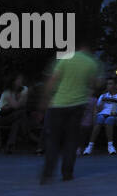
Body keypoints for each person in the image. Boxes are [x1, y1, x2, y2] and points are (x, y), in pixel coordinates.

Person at [39, 40, 101, 183]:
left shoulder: (66, 57)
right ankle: (67, 173)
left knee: (53, 139)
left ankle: (47, 173)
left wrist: (45, 99)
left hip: (58, 104)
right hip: (78, 105)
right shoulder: (91, 63)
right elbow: (94, 84)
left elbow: (52, 80)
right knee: (71, 140)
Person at [83, 78, 117, 155]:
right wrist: (102, 102)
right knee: (99, 119)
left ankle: (110, 146)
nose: (108, 86)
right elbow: (97, 109)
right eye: (107, 84)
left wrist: (116, 114)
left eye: (110, 84)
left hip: (113, 116)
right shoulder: (103, 96)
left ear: (116, 86)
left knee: (109, 119)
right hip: (102, 115)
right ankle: (89, 147)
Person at [0, 75, 30, 152]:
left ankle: (10, 145)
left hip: (12, 116)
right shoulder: (7, 92)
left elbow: (23, 104)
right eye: (18, 80)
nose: (21, 82)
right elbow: (16, 106)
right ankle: (26, 134)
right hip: (1, 118)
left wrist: (21, 98)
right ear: (13, 82)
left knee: (17, 122)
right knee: (21, 113)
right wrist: (22, 97)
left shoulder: (18, 92)